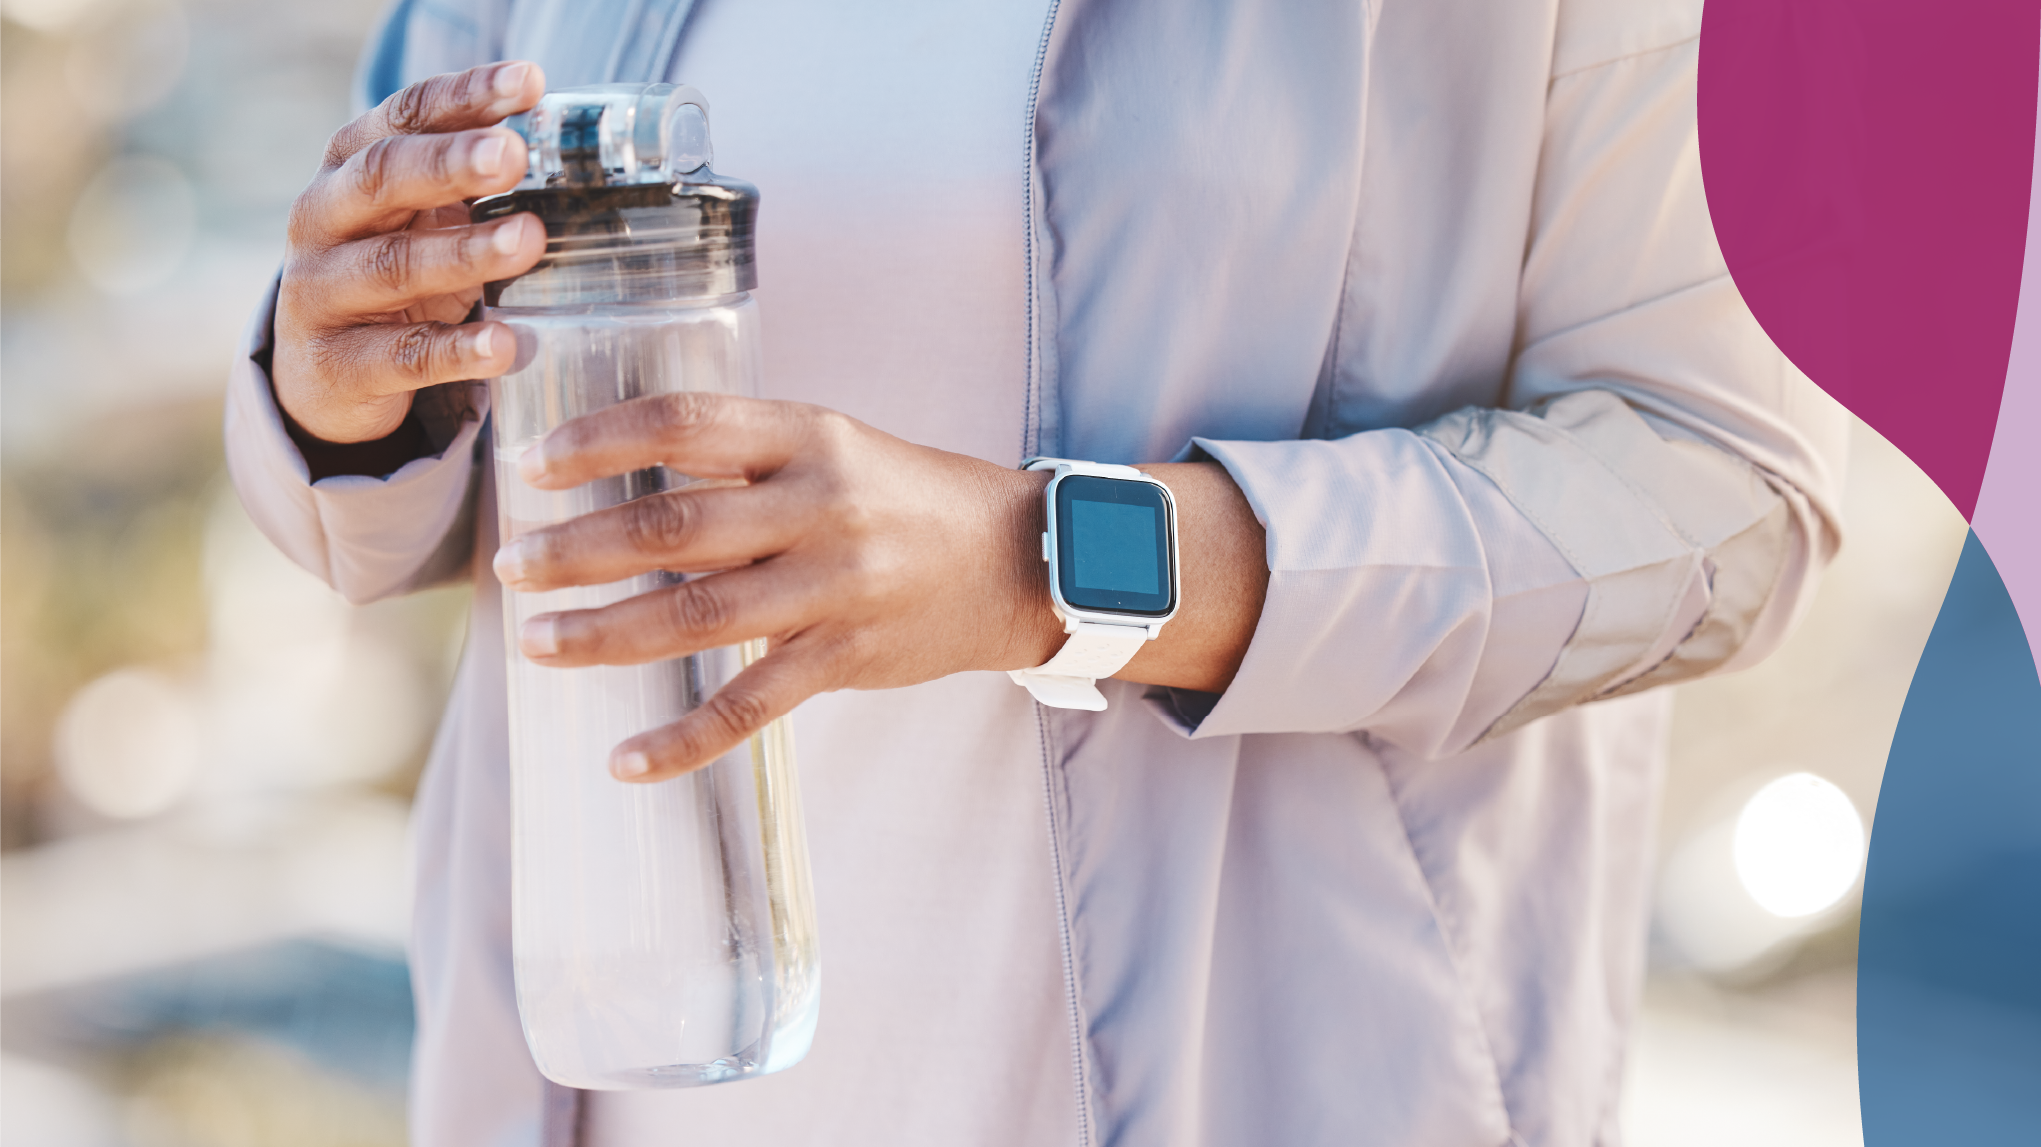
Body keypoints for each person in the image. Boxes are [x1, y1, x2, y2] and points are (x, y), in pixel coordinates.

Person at [225, 1, 1846, 1144]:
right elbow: (421, 497)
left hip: (1281, 1078)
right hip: (618, 1081)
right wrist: (342, 386)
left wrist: (1036, 560)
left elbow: (1720, 494)